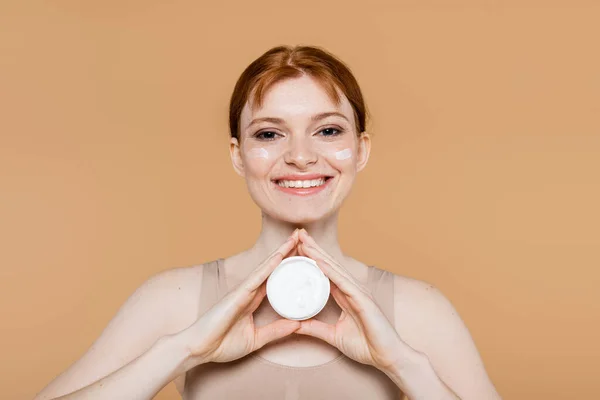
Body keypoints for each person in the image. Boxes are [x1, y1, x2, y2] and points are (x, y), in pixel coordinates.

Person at [34, 45, 501, 400]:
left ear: (361, 149)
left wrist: (404, 365)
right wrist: (183, 351)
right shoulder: (172, 301)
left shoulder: (419, 311)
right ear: (239, 155)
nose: (299, 156)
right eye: (269, 133)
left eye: (328, 130)